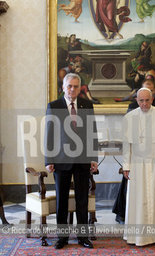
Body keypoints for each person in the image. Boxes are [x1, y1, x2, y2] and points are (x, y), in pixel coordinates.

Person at [44, 73, 98, 249]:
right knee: (62, 200)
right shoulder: (54, 106)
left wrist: (93, 158)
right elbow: (49, 135)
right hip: (60, 160)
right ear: (63, 87)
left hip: (82, 161)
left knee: (82, 200)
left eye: (75, 86)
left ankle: (83, 237)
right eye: (69, 86)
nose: (72, 89)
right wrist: (48, 159)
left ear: (79, 88)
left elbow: (92, 133)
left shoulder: (86, 105)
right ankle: (62, 237)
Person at [122, 88, 155, 246]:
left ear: (152, 99)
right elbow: (127, 146)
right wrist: (127, 166)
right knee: (139, 202)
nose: (144, 103)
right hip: (138, 166)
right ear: (136, 101)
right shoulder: (129, 118)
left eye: (147, 100)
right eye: (141, 101)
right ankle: (138, 236)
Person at [112, 77, 155, 223]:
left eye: (151, 90)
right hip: (137, 154)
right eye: (141, 99)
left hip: (154, 154)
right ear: (138, 96)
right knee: (128, 177)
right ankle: (124, 213)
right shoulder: (132, 108)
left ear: (153, 94)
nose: (144, 102)